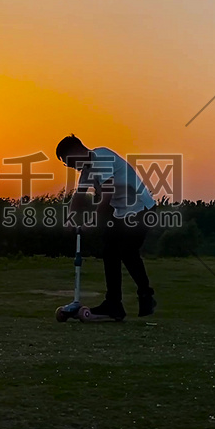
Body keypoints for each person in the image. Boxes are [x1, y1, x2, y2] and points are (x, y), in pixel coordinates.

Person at [55, 134, 157, 320]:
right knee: (110, 252)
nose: (70, 166)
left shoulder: (102, 158)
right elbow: (78, 197)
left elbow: (107, 196)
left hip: (142, 208)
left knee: (127, 251)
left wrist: (92, 221)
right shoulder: (87, 171)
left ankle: (145, 295)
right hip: (122, 213)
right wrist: (70, 219)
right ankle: (114, 305)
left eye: (68, 161)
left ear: (76, 151)